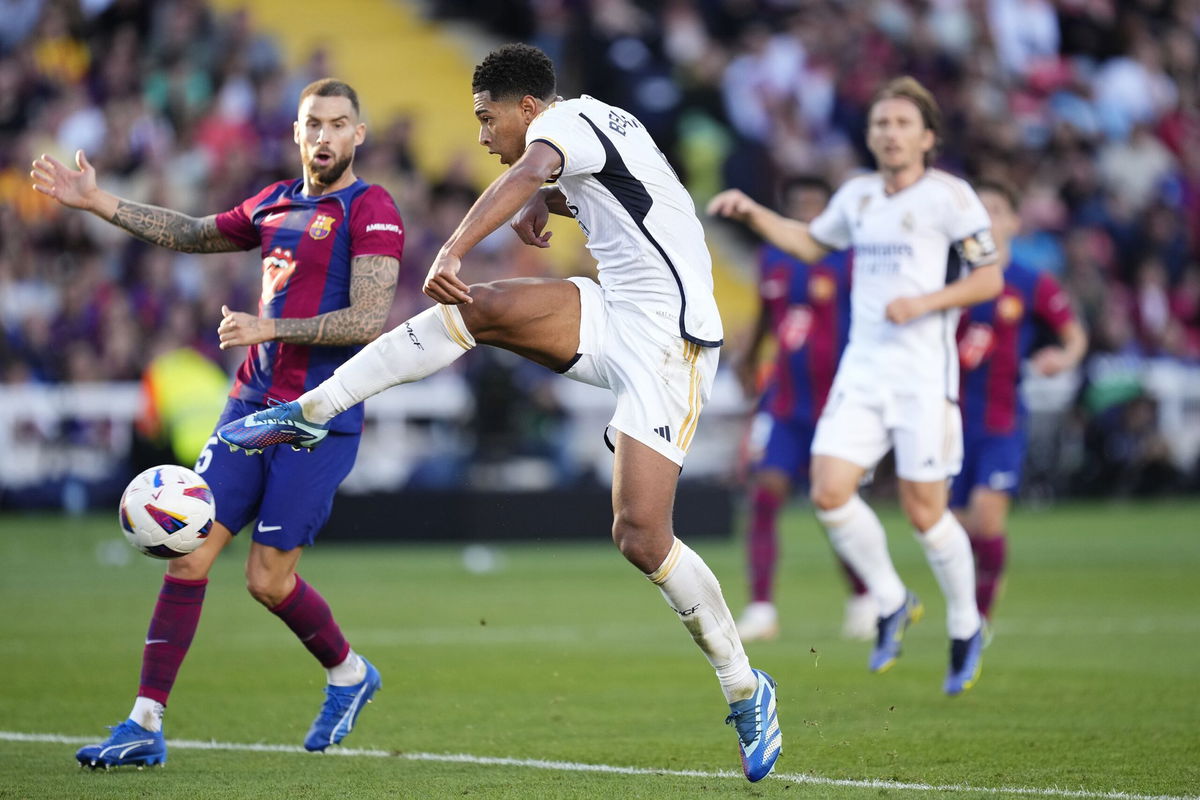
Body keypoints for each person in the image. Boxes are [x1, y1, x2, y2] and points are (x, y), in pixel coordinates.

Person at [217, 44, 782, 782]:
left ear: (527, 108)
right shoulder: (591, 126)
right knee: (479, 309)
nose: (482, 135)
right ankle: (312, 407)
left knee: (641, 535)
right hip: (618, 309)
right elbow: (603, 192)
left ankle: (746, 687)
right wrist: (546, 204)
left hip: (672, 344)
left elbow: (528, 168)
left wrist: (454, 245)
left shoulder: (567, 127)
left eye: (487, 119)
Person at [31, 78, 403, 767]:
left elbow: (369, 319)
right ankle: (144, 723)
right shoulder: (274, 201)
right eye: (313, 123)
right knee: (189, 550)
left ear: (360, 134)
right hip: (250, 406)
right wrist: (95, 200)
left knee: (267, 581)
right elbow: (195, 233)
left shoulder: (371, 207)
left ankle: (349, 674)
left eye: (338, 124)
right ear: (296, 132)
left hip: (317, 416)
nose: (324, 136)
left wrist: (270, 324)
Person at [708, 76, 1003, 697]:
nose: (889, 133)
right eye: (880, 124)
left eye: (901, 123)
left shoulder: (951, 197)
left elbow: (987, 279)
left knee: (927, 512)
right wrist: (755, 213)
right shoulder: (860, 196)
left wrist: (925, 302)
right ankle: (892, 600)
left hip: (923, 376)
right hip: (863, 371)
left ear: (927, 136)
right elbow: (812, 244)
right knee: (829, 491)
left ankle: (965, 624)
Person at [729, 177, 870, 643]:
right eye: (798, 205)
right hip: (785, 400)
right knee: (764, 495)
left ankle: (865, 597)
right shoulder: (773, 258)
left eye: (815, 204)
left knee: (835, 504)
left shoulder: (850, 260)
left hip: (837, 402)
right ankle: (762, 608)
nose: (807, 213)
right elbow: (769, 318)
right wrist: (749, 361)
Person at [953, 180, 1087, 623]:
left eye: (995, 209)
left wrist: (1062, 356)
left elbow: (1074, 336)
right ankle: (982, 581)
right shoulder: (951, 280)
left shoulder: (1031, 283)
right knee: (955, 529)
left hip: (1001, 418)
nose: (986, 218)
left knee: (988, 517)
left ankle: (978, 621)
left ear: (1013, 221)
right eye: (979, 209)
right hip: (948, 420)